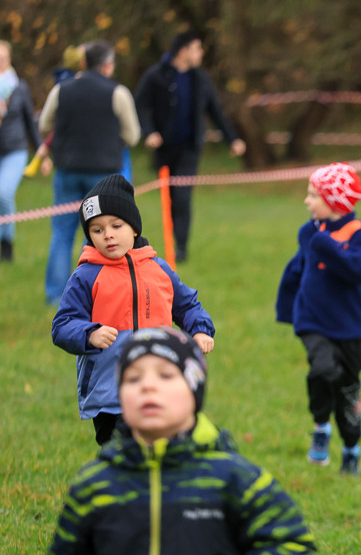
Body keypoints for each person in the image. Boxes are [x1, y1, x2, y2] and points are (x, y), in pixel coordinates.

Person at [28, 327, 316, 555]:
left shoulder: (233, 479)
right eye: (133, 379)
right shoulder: (96, 486)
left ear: (195, 390)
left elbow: (292, 545)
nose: (148, 385)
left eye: (166, 375)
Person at [52, 174, 215, 445]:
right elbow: (62, 326)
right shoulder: (86, 276)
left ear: (134, 227)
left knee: (163, 456)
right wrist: (89, 334)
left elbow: (187, 305)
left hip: (160, 388)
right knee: (123, 462)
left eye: (116, 225)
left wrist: (199, 330)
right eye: (97, 230)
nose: (108, 235)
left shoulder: (158, 269)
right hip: (111, 395)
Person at [276, 162, 361, 473]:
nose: (307, 201)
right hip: (312, 321)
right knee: (321, 368)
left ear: (335, 201)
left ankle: (351, 447)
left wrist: (329, 247)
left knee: (347, 389)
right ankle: (320, 427)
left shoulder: (355, 233)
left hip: (348, 327)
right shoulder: (309, 233)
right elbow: (296, 269)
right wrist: (288, 309)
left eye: (313, 195)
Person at [38, 39, 140, 306]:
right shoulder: (117, 92)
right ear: (108, 65)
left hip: (68, 170)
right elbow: (133, 134)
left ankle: (54, 297)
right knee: (102, 234)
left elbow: (44, 123)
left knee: (61, 233)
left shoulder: (62, 89)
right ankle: (98, 295)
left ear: (84, 63)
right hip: (104, 175)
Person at [134, 30, 247, 263]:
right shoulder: (156, 75)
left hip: (189, 149)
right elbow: (140, 105)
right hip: (164, 148)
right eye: (197, 48)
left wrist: (233, 138)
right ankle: (167, 242)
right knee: (169, 197)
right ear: (184, 51)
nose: (201, 53)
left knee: (183, 197)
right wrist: (149, 132)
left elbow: (215, 111)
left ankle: (181, 247)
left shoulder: (201, 78)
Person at [0, 40, 44, 262]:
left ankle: (6, 241)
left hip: (14, 150)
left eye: (3, 58)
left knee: (4, 193)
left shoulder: (19, 87)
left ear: (9, 60)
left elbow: (30, 122)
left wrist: (41, 153)